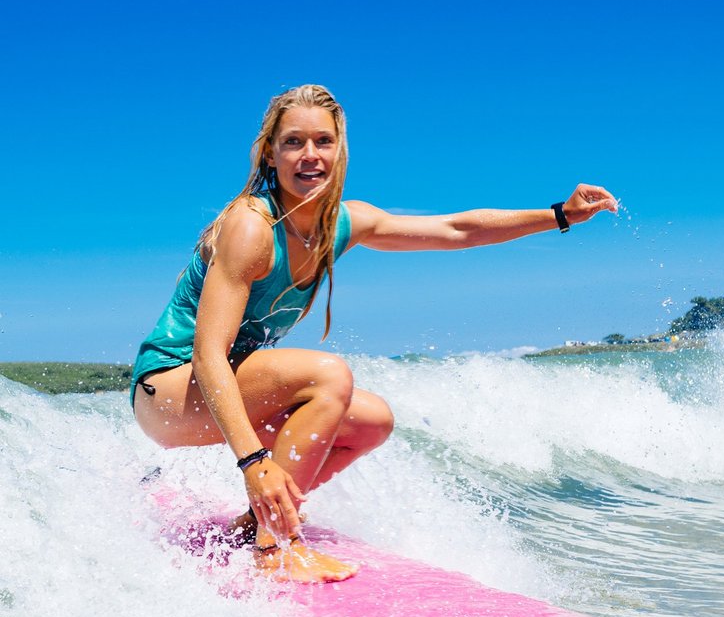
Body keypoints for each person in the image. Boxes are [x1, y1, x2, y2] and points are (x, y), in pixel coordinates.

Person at [132, 84, 617, 583]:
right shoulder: (251, 227)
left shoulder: (343, 222)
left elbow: (457, 230)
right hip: (171, 390)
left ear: (339, 149)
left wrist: (560, 214)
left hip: (221, 389)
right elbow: (209, 354)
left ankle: (255, 527)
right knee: (328, 376)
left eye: (322, 141)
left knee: (371, 422)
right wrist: (254, 464)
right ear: (269, 153)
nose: (309, 155)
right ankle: (277, 549)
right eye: (294, 142)